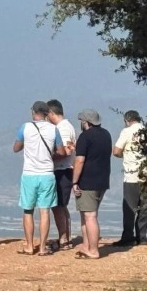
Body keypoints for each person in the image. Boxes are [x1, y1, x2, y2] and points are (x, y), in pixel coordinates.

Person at [13, 101, 65, 256]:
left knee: (28, 210)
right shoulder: (54, 129)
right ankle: (42, 247)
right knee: (45, 211)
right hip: (47, 173)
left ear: (33, 112)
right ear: (47, 113)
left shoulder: (25, 127)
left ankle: (29, 246)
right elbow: (61, 151)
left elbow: (16, 148)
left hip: (29, 173)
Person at [73, 109, 112, 259]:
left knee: (90, 216)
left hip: (88, 181)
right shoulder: (106, 134)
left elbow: (79, 160)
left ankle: (93, 250)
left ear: (86, 122)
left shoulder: (85, 136)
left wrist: (74, 181)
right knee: (86, 214)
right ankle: (86, 246)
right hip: (102, 180)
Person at [46, 99, 77, 251]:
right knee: (61, 206)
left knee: (58, 206)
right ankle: (66, 237)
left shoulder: (62, 128)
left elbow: (66, 151)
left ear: (51, 113)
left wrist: (47, 157)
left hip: (62, 170)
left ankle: (64, 238)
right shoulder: (67, 126)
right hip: (65, 169)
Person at [113, 110, 147, 247]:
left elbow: (116, 151)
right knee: (144, 209)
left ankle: (128, 237)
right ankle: (142, 237)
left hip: (132, 176)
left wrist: (124, 155)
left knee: (129, 208)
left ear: (127, 120)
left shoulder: (127, 132)